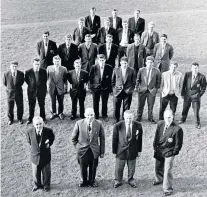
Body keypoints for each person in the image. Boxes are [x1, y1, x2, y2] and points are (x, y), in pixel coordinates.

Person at [72, 108, 105, 187]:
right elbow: (74, 138)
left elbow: (102, 139)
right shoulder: (79, 123)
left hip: (94, 150)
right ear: (84, 115)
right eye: (88, 115)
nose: (89, 117)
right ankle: (83, 180)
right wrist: (78, 147)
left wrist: (102, 152)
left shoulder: (99, 123)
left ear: (94, 114)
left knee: (93, 166)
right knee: (83, 166)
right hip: (82, 150)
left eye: (91, 115)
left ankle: (92, 181)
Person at [153, 110, 183, 196]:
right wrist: (155, 146)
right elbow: (156, 136)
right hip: (159, 149)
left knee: (167, 171)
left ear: (173, 117)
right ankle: (159, 179)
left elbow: (178, 144)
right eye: (166, 117)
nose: (167, 119)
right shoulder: (160, 124)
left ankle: (168, 189)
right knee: (158, 166)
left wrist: (173, 152)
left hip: (169, 152)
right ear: (163, 117)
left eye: (169, 117)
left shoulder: (177, 129)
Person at [112, 110, 143, 188]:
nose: (129, 120)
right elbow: (114, 139)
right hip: (120, 150)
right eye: (127, 118)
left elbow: (140, 139)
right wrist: (114, 151)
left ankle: (131, 180)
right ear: (124, 117)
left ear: (133, 117)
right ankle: (118, 180)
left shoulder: (138, 125)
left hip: (133, 150)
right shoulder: (118, 126)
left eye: (130, 118)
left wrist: (139, 150)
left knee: (132, 167)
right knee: (119, 167)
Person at [26, 116, 55, 192]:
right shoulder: (29, 131)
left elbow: (52, 139)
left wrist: (47, 145)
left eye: (40, 124)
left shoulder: (48, 131)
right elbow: (29, 141)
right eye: (37, 124)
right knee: (35, 173)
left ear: (43, 123)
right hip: (35, 156)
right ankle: (36, 185)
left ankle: (46, 186)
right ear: (33, 124)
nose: (38, 126)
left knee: (46, 173)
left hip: (45, 156)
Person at [179, 62, 207, 129]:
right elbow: (184, 85)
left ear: (198, 68)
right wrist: (183, 94)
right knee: (185, 108)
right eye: (193, 68)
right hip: (187, 95)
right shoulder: (187, 74)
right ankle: (183, 119)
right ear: (191, 68)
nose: (195, 69)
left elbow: (203, 88)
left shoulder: (202, 77)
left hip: (196, 97)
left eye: (196, 68)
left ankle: (197, 123)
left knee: (196, 110)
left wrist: (199, 95)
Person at [136, 56, 161, 123]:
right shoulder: (141, 70)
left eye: (151, 62)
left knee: (151, 105)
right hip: (142, 90)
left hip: (151, 91)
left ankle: (150, 118)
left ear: (153, 63)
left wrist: (155, 89)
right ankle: (139, 117)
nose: (149, 64)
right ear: (145, 63)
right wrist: (138, 88)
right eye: (148, 62)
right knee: (140, 105)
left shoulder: (157, 71)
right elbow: (138, 80)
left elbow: (158, 82)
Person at [112, 56, 136, 123]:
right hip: (117, 92)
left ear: (127, 63)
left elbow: (134, 82)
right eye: (123, 63)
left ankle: (124, 120)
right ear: (120, 63)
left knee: (126, 107)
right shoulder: (116, 70)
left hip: (127, 92)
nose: (124, 65)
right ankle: (116, 120)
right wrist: (114, 90)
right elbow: (112, 81)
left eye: (125, 63)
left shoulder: (131, 70)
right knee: (116, 107)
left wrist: (130, 90)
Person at [89, 54, 113, 121]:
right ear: (98, 60)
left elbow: (110, 79)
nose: (101, 62)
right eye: (100, 60)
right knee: (95, 102)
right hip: (96, 88)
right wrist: (91, 88)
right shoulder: (94, 67)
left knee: (104, 102)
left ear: (105, 60)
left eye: (103, 60)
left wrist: (110, 89)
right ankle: (96, 115)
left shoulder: (109, 67)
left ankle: (104, 115)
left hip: (105, 88)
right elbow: (91, 78)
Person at [25, 58, 47, 124]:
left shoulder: (43, 71)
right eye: (35, 64)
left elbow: (45, 80)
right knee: (31, 105)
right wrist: (32, 86)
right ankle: (30, 118)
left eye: (38, 64)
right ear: (33, 64)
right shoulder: (28, 72)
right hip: (31, 91)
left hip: (41, 91)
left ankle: (43, 118)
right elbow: (27, 81)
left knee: (42, 105)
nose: (37, 66)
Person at [3, 61, 24, 125]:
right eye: (13, 66)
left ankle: (20, 118)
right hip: (10, 93)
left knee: (20, 106)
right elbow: (5, 83)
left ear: (17, 66)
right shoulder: (6, 74)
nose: (14, 68)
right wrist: (10, 89)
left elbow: (22, 82)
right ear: (10, 66)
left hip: (19, 92)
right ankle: (10, 119)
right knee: (10, 107)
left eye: (15, 66)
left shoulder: (21, 73)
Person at [47, 55, 68, 120]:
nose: (57, 63)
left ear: (60, 61)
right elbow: (47, 78)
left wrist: (65, 87)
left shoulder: (64, 69)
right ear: (53, 61)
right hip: (52, 88)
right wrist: (47, 86)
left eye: (58, 61)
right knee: (52, 101)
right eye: (55, 61)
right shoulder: (49, 68)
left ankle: (60, 113)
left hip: (60, 88)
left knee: (60, 101)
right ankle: (53, 113)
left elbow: (65, 79)